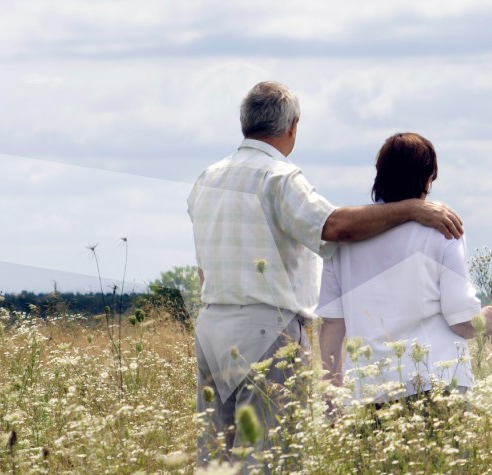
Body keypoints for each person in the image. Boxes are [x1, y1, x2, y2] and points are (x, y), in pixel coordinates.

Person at [187, 82, 464, 467]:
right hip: (266, 330)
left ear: (243, 123)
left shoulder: (207, 179)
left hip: (212, 327)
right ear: (292, 127)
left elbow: (203, 269)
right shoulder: (278, 177)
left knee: (216, 456)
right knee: (271, 457)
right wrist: (412, 210)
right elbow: (333, 227)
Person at [317, 132, 492, 410]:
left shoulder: (344, 240)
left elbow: (332, 327)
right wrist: (486, 319)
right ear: (427, 179)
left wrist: (332, 403)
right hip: (435, 383)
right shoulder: (443, 229)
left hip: (369, 392)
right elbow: (461, 321)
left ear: (379, 176)